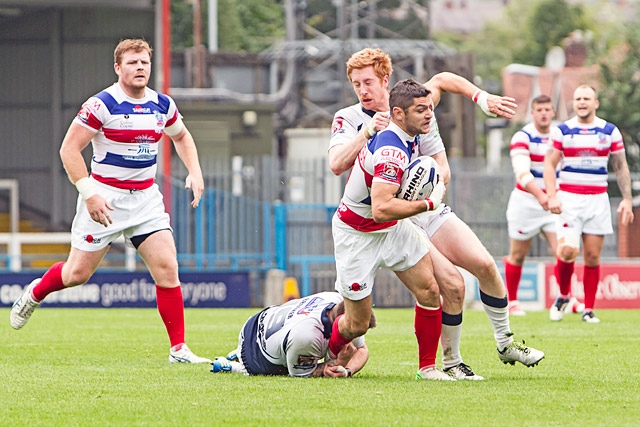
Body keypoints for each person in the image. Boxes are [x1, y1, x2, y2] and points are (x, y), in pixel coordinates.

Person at [329, 48, 544, 379]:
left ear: (386, 80)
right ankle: (449, 362)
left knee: (485, 265)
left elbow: (443, 81)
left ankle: (505, 343)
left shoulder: (414, 102)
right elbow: (336, 164)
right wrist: (367, 131)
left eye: (368, 82)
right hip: (391, 212)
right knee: (452, 285)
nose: (363, 90)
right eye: (356, 84)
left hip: (424, 203)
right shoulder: (351, 118)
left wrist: (481, 98)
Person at [10, 38, 210, 363]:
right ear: (118, 68)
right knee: (77, 274)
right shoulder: (102, 104)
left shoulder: (162, 105)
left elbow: (182, 136)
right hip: (105, 199)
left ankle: (178, 350)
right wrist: (89, 194)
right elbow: (69, 150)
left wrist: (195, 172)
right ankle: (35, 293)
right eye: (132, 62)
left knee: (168, 269)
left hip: (146, 200)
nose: (140, 67)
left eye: (144, 61)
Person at [328, 78, 453, 381]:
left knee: (430, 291)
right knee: (357, 325)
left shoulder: (408, 133)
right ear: (399, 113)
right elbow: (382, 207)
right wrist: (427, 204)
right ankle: (327, 354)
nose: (428, 115)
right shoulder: (391, 150)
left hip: (392, 229)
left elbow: (441, 83)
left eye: (429, 109)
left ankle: (428, 368)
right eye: (421, 110)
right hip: (357, 234)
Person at [544, 84, 634, 324]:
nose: (582, 102)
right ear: (574, 103)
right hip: (569, 200)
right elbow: (549, 165)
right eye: (578, 98)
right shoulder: (563, 130)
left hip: (597, 200)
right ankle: (563, 296)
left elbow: (621, 166)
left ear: (596, 103)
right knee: (568, 251)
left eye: (586, 98)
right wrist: (552, 195)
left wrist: (626, 199)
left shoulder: (609, 131)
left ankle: (589, 309)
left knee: (593, 256)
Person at [210, 291, 375, 377]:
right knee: (282, 371)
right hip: (258, 352)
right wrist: (336, 362)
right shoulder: (308, 336)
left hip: (263, 318)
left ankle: (236, 353)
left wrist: (347, 371)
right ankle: (235, 366)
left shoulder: (341, 306)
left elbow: (362, 350)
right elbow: (300, 374)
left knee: (297, 350)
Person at [503, 95, 559, 316]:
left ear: (553, 112)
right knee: (517, 254)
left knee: (564, 251)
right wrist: (541, 196)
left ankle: (565, 298)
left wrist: (554, 196)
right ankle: (513, 301)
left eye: (548, 109)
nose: (544, 113)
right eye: (539, 109)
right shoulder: (522, 136)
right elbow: (522, 173)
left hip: (553, 200)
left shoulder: (560, 135)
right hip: (526, 201)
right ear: (533, 113)